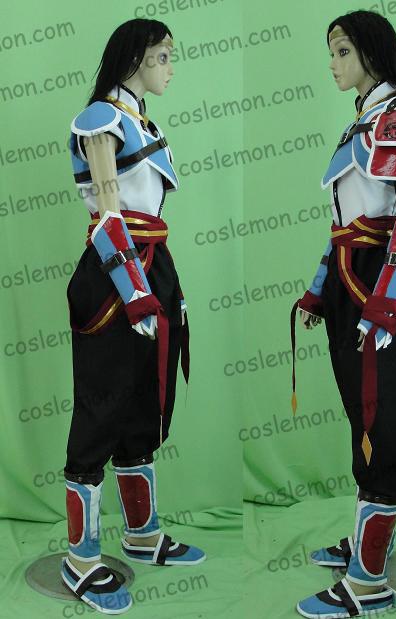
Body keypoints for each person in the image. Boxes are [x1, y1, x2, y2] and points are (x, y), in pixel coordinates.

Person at [291, 10, 396, 618]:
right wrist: (317, 291)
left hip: (382, 291)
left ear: (372, 53)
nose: (332, 63)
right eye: (331, 51)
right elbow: (344, 227)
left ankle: (370, 582)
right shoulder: (363, 121)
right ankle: (366, 545)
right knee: (362, 421)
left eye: (343, 51)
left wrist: (386, 306)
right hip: (348, 288)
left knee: (383, 425)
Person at [61, 18, 205, 614]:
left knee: (146, 401)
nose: (171, 67)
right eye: (163, 56)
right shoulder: (100, 119)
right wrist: (135, 292)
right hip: (113, 272)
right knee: (102, 404)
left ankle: (141, 534)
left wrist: (162, 289)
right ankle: (80, 558)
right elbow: (108, 215)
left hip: (153, 262)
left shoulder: (144, 122)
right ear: (135, 58)